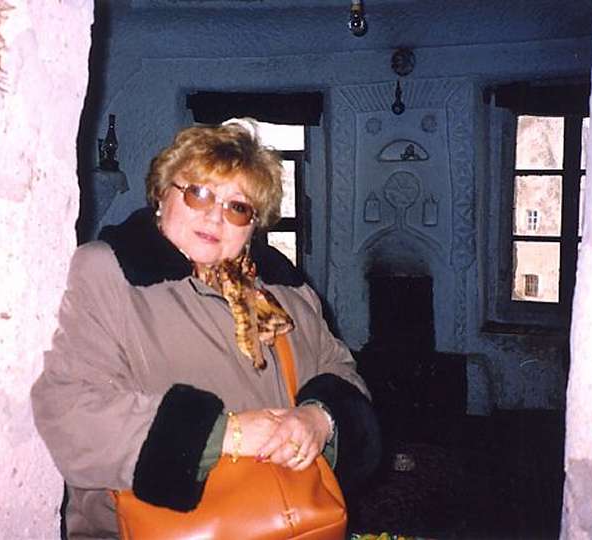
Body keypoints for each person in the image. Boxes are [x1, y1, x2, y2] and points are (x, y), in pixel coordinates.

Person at [31, 120, 380, 539]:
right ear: (162, 193)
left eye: (238, 207)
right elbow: (69, 412)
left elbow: (341, 372)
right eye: (198, 193)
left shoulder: (286, 290)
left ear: (253, 224)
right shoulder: (111, 271)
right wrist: (226, 435)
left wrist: (319, 419)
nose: (215, 216)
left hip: (290, 519)